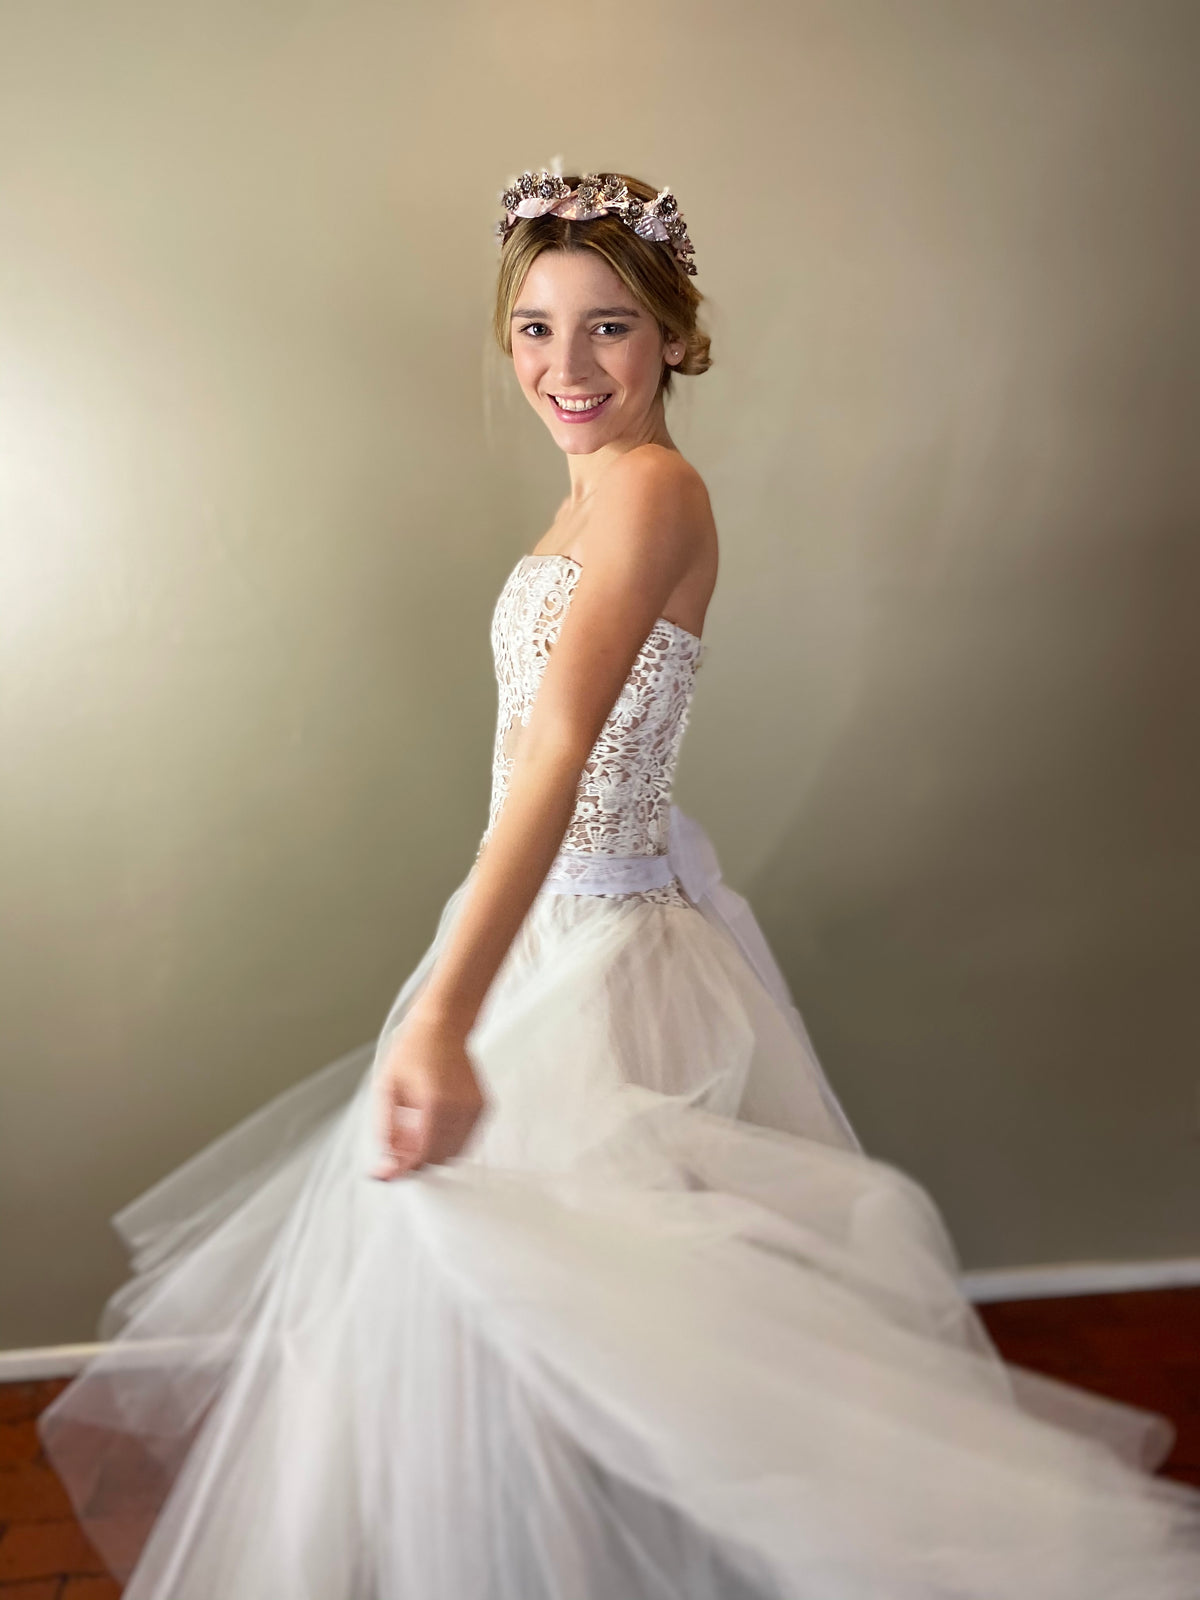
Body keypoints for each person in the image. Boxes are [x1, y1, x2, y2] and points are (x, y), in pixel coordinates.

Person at [38, 165, 1200, 1599]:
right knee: (524, 1322)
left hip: (598, 950)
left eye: (608, 326)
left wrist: (444, 1015)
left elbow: (560, 751)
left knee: (607, 1320)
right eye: (535, 328)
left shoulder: (653, 490)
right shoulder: (588, 496)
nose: (566, 365)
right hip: (535, 924)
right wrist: (464, 972)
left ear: (673, 337)